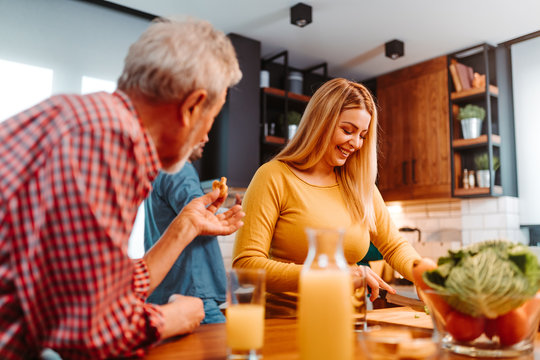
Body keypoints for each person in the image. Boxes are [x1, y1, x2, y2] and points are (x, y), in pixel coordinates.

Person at [0, 17, 244, 359]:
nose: (205, 137)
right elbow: (92, 331)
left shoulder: (87, 119)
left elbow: (95, 290)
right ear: (191, 106)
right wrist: (175, 317)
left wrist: (185, 225)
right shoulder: (108, 139)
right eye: (211, 118)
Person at [232, 78, 421, 317]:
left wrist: (423, 275)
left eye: (362, 135)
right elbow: (246, 266)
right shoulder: (274, 177)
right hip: (288, 325)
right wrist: (332, 275)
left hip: (350, 324)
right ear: (320, 122)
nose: (356, 143)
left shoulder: (360, 185)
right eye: (347, 130)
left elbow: (394, 246)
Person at [144, 136, 239, 324]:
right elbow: (199, 216)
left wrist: (227, 211)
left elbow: (191, 213)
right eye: (201, 126)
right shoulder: (180, 169)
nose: (206, 138)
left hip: (167, 289)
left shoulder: (159, 170)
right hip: (191, 291)